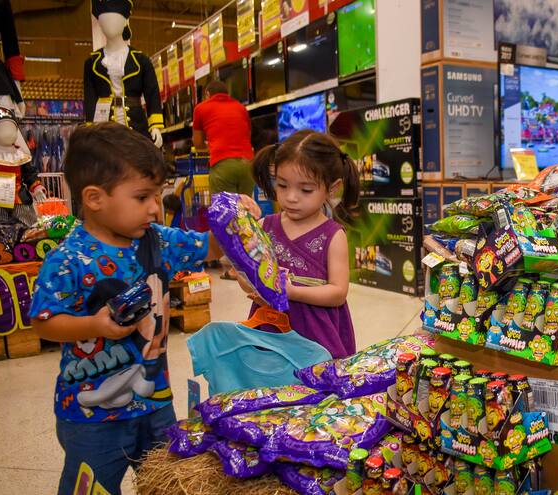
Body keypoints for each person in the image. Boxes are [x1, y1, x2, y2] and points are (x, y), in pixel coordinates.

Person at [28, 123, 257, 495]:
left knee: (165, 483)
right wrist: (94, 325)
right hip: (91, 417)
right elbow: (44, 322)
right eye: (142, 197)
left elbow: (211, 247)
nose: (155, 207)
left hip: (155, 402)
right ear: (94, 198)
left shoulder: (158, 240)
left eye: (157, 194)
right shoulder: (68, 259)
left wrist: (236, 219)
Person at [249, 129, 360, 358]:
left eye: (306, 189)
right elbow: (250, 274)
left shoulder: (333, 235)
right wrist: (251, 283)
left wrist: (292, 292)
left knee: (315, 379)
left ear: (332, 188)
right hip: (270, 329)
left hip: (316, 335)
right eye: (282, 185)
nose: (291, 197)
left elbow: (338, 292)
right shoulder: (264, 226)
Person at [193, 79, 255, 279]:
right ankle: (251, 263)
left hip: (222, 163)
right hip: (248, 164)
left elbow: (197, 142)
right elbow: (247, 135)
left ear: (207, 94)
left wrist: (210, 146)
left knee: (225, 217)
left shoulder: (201, 108)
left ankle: (235, 267)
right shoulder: (240, 107)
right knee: (245, 215)